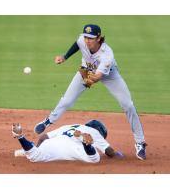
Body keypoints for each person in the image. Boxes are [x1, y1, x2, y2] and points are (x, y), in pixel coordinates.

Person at [34, 24, 147, 160]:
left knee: (128, 104)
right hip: (87, 70)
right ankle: (48, 121)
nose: (87, 40)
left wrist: (90, 79)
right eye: (86, 37)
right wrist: (65, 57)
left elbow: (98, 76)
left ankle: (140, 142)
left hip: (108, 75)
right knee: (67, 100)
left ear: (99, 38)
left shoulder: (107, 54)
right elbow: (77, 44)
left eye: (91, 38)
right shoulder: (82, 40)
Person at [12, 120, 123, 163]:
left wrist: (39, 148)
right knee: (95, 159)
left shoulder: (68, 126)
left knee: (36, 156)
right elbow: (109, 151)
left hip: (51, 143)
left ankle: (21, 137)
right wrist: (117, 154)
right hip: (72, 147)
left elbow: (43, 137)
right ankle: (86, 144)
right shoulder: (94, 132)